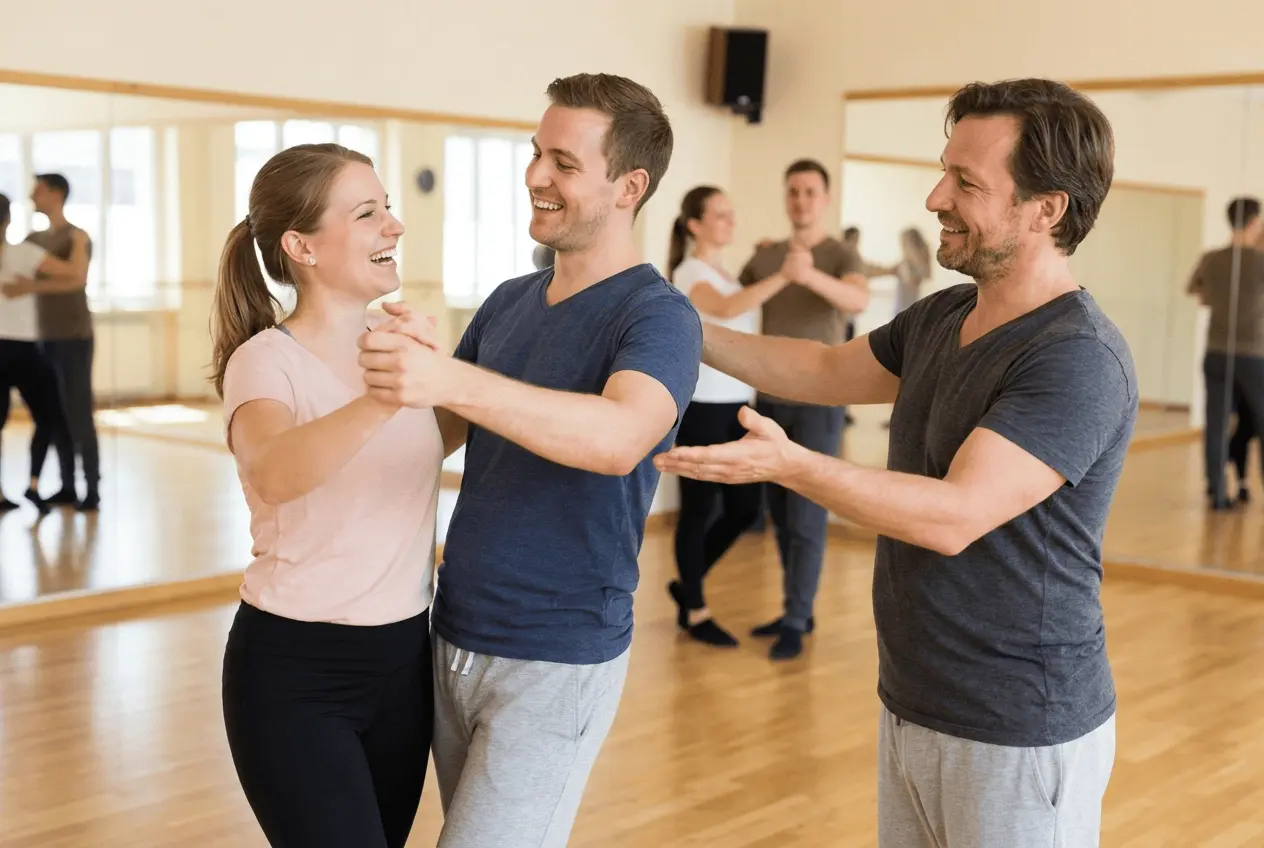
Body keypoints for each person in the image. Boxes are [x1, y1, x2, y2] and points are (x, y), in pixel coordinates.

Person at [657, 78, 1134, 847]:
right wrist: (672, 320)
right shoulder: (946, 314)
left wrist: (792, 466)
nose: (935, 195)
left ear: (1047, 209)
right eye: (944, 169)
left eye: (966, 182)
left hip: (1020, 729)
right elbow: (816, 370)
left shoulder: (1076, 358)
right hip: (913, 702)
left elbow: (953, 517)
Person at [357, 72, 700, 848]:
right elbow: (436, 432)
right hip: (454, 632)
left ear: (629, 186)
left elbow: (619, 439)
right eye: (536, 154)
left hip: (557, 657)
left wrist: (453, 376)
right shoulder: (511, 300)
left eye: (565, 164)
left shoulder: (659, 315)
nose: (536, 177)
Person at [212, 143, 442, 848]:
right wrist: (388, 395)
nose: (394, 227)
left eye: (389, 209)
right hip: (294, 673)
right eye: (368, 213)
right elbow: (274, 471)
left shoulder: (395, 347)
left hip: (405, 663)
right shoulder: (265, 361)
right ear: (300, 246)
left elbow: (446, 435)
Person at [736, 158, 869, 661]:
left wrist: (808, 275)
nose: (801, 200)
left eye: (810, 192)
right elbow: (735, 297)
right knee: (779, 514)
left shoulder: (840, 252)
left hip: (820, 402)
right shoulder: (766, 256)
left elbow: (856, 301)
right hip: (768, 400)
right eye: (793, 191)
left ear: (825, 198)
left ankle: (796, 616)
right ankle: (797, 609)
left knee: (808, 515)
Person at [665, 185, 784, 647]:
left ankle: (688, 582)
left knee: (744, 508)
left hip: (737, 406)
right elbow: (728, 308)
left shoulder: (724, 271)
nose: (729, 222)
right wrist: (786, 274)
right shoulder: (688, 270)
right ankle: (694, 609)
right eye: (720, 215)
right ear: (695, 224)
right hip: (702, 407)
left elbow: (736, 300)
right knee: (698, 510)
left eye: (732, 214)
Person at [0, 192, 78, 513]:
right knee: (48, 417)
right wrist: (80, 239)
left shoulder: (25, 252)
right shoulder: (25, 253)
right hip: (23, 350)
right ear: (8, 220)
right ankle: (33, 485)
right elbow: (73, 275)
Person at [24, 173, 98, 510]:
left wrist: (32, 286)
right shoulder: (31, 239)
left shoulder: (78, 235)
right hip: (43, 337)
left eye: (37, 189)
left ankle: (91, 489)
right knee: (55, 415)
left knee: (79, 413)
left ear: (56, 194)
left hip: (74, 337)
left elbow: (77, 280)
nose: (31, 195)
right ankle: (67, 486)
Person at [1187, 195, 1264, 509]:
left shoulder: (1212, 258)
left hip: (1216, 353)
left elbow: (1196, 291)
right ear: (1254, 222)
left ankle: (1217, 493)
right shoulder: (1260, 260)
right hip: (1253, 356)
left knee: (1216, 423)